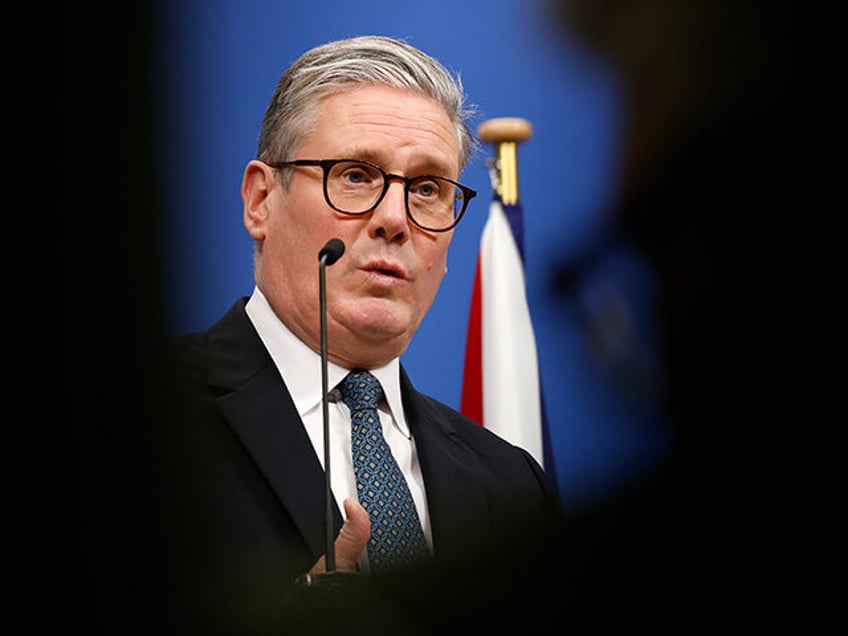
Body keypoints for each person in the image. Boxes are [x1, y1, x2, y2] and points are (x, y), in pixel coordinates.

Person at [144, 35, 558, 633]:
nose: (395, 220)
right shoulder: (139, 412)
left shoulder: (511, 484)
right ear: (261, 200)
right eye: (357, 175)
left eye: (427, 189)